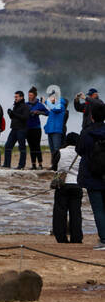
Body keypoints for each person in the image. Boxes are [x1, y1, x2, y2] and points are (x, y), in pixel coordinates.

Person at [74, 100, 105, 249]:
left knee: (98, 209)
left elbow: (79, 150)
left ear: (92, 117)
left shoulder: (86, 132)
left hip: (92, 175)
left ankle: (104, 239)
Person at [46, 89, 68, 171]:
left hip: (56, 131)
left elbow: (56, 109)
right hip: (50, 130)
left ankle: (59, 166)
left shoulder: (61, 105)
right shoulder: (53, 105)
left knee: (57, 149)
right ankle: (54, 165)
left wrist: (46, 102)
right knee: (52, 150)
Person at [27, 88, 47, 170]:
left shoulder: (39, 104)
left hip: (36, 128)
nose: (29, 96)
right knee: (31, 146)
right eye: (28, 95)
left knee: (37, 146)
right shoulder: (26, 104)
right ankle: (33, 164)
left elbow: (47, 113)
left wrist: (38, 112)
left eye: (31, 95)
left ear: (34, 96)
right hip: (28, 128)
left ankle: (40, 164)